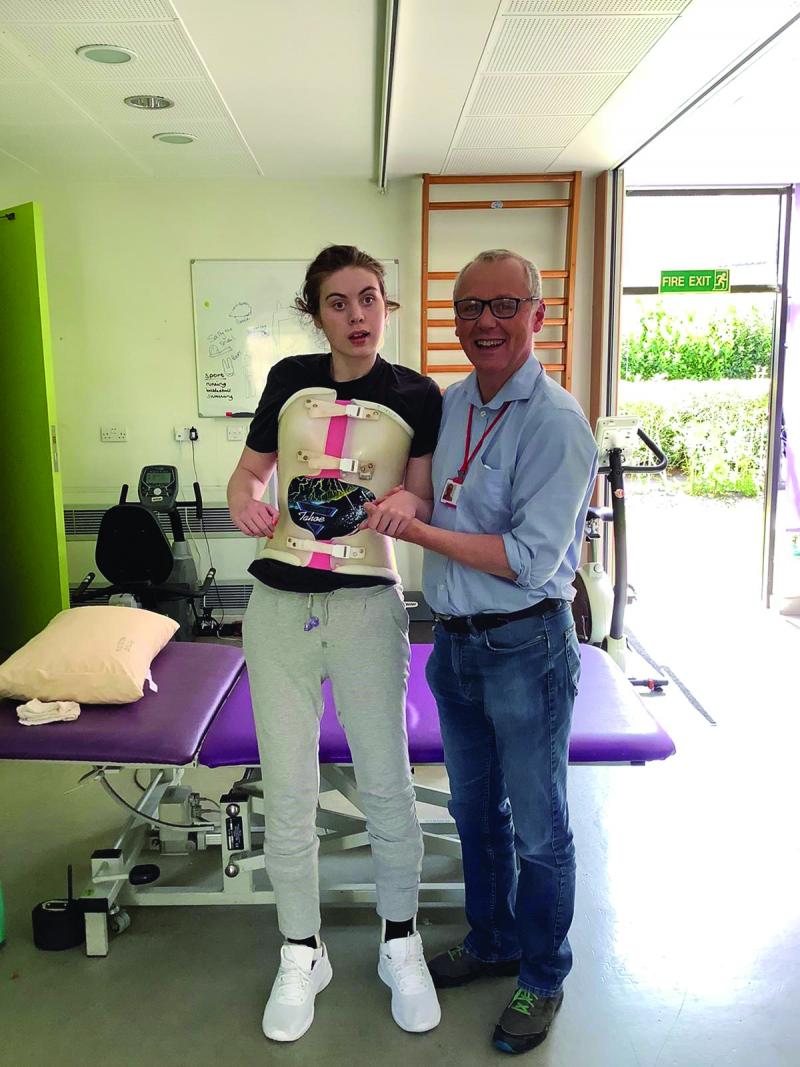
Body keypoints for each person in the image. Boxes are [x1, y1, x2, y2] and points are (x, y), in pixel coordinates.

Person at [363, 249, 598, 1055]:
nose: (484, 323)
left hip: (525, 645)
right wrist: (400, 499)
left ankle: (543, 970)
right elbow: (430, 488)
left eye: (503, 306)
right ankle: (492, 938)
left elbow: (530, 559)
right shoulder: (451, 402)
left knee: (539, 827)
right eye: (468, 308)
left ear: (538, 314)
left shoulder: (558, 424)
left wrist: (418, 527)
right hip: (454, 646)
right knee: (474, 813)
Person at [227, 245, 442, 1043]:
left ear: (387, 304)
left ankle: (399, 939)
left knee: (386, 780)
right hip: (279, 604)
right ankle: (301, 947)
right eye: (339, 302)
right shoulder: (288, 379)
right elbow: (247, 476)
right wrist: (246, 500)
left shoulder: (419, 392)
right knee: (287, 786)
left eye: (370, 298)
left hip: (366, 605)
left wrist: (403, 500)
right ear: (315, 312)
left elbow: (418, 488)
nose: (358, 315)